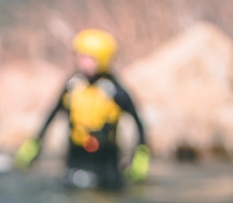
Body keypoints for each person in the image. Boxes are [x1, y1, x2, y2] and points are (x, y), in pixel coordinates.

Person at [14, 28, 150, 191]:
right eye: (82, 57)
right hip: (75, 161)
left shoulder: (115, 90)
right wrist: (35, 143)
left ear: (103, 59)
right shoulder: (72, 86)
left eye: (90, 58)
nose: (84, 63)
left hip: (106, 165)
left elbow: (138, 122)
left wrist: (141, 155)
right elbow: (51, 114)